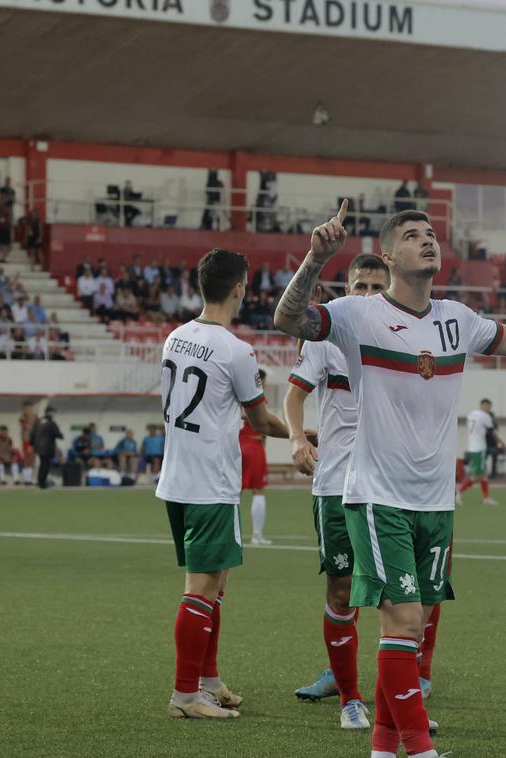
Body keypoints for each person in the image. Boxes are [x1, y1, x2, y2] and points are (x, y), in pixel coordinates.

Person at [274, 202, 506, 758]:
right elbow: (288, 320)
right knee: (404, 617)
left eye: (432, 233)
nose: (428, 241)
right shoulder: (355, 314)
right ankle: (418, 748)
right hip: (376, 495)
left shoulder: (456, 319)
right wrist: (316, 259)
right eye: (413, 235)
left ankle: (385, 745)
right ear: (389, 254)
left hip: (436, 501)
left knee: (414, 629)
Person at [155, 248, 289, 719]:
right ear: (240, 288)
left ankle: (208, 681)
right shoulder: (236, 350)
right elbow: (262, 422)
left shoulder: (175, 337)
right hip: (209, 482)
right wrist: (303, 433)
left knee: (217, 582)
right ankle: (185, 695)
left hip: (177, 476)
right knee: (201, 587)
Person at [286, 254, 390, 728]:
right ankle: (349, 695)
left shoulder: (405, 337)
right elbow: (294, 395)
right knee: (342, 588)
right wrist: (295, 437)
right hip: (337, 483)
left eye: (376, 286)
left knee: (398, 597)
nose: (367, 294)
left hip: (390, 481)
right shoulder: (326, 335)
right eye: (360, 285)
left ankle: (401, 697)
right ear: (347, 288)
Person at [239, 368, 271, 545]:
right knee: (258, 490)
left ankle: (230, 533)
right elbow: (264, 423)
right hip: (253, 444)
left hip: (237, 445)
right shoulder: (258, 398)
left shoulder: (237, 396)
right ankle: (257, 535)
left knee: (234, 492)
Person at [456, 399, 501, 505]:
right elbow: (491, 432)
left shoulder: (471, 414)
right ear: (485, 406)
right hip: (479, 448)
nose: (489, 409)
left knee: (484, 474)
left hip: (473, 447)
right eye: (489, 407)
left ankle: (486, 498)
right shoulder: (485, 416)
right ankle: (458, 492)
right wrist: (501, 443)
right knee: (478, 475)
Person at [31, 406, 63, 489]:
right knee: (45, 465)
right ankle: (42, 483)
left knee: (42, 464)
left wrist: (32, 445)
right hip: (47, 447)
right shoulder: (50, 422)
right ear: (48, 412)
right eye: (52, 412)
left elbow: (32, 434)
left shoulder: (38, 421)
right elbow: (57, 434)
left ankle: (40, 481)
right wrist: (61, 436)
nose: (53, 414)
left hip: (38, 447)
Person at [19, 402, 38, 487]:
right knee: (26, 460)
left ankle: (31, 478)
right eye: (25, 409)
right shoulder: (23, 418)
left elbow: (34, 430)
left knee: (32, 460)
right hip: (25, 442)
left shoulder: (35, 418)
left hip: (33, 442)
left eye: (29, 408)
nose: (27, 410)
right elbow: (25, 429)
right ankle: (26, 479)